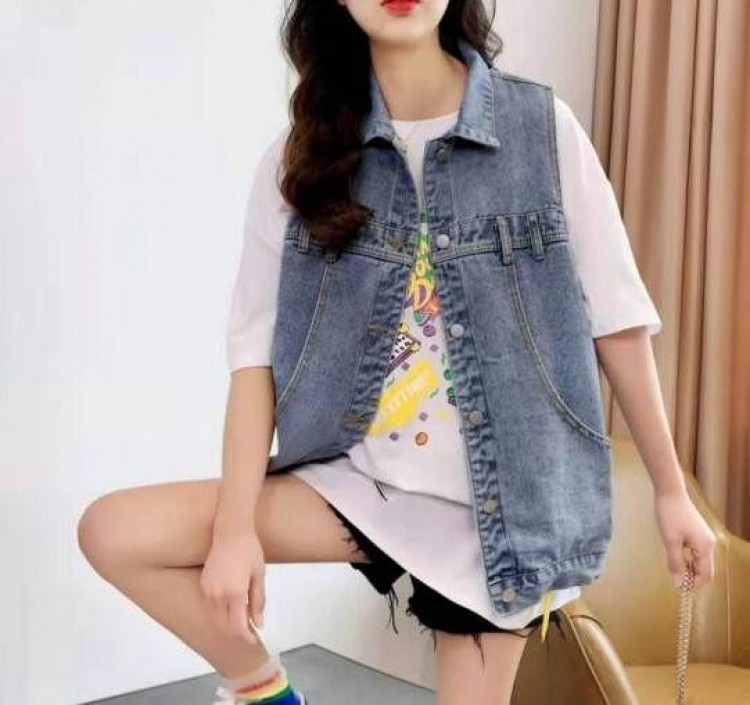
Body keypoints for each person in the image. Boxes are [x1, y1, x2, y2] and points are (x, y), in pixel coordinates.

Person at [77, 1, 717, 704]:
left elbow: (619, 321)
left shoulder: (541, 130)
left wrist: (670, 491)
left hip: (502, 512)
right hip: (366, 486)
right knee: (114, 531)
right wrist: (234, 532)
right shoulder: (303, 159)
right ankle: (266, 692)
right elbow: (254, 358)